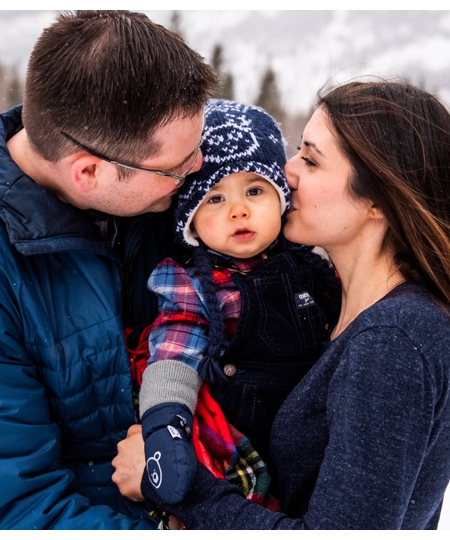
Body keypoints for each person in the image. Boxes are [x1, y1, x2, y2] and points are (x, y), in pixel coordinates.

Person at [111, 80, 450, 529]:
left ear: (378, 200)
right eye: (296, 151)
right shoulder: (342, 309)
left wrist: (181, 487)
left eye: (310, 160)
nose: (285, 171)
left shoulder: (394, 342)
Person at [0, 11, 218, 529]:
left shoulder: (151, 181)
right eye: (177, 166)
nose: (201, 166)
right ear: (87, 171)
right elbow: (16, 509)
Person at [134, 100, 338, 505]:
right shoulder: (192, 284)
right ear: (189, 218)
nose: (239, 210)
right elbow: (174, 354)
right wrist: (164, 423)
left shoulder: (314, 269)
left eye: (255, 190)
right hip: (239, 444)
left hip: (312, 437)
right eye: (215, 199)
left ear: (282, 197)